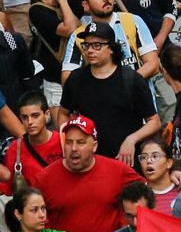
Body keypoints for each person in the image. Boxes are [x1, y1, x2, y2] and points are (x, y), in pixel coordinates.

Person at [27, 117, 144, 232]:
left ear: (94, 146)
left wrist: (173, 175)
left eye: (80, 142)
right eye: (69, 142)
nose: (73, 148)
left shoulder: (117, 171)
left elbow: (149, 192)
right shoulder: (44, 179)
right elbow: (29, 221)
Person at [57, 21, 160, 167]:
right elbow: (63, 113)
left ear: (111, 48)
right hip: (90, 163)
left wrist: (132, 139)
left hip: (125, 162)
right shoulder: (76, 79)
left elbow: (154, 121)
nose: (90, 50)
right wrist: (70, 141)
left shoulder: (131, 79)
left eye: (97, 45)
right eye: (86, 45)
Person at [1, 91, 63, 190]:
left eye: (35, 116)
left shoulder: (63, 142)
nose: (30, 122)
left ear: (46, 115)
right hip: (35, 203)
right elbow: (7, 186)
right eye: (25, 117)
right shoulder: (15, 149)